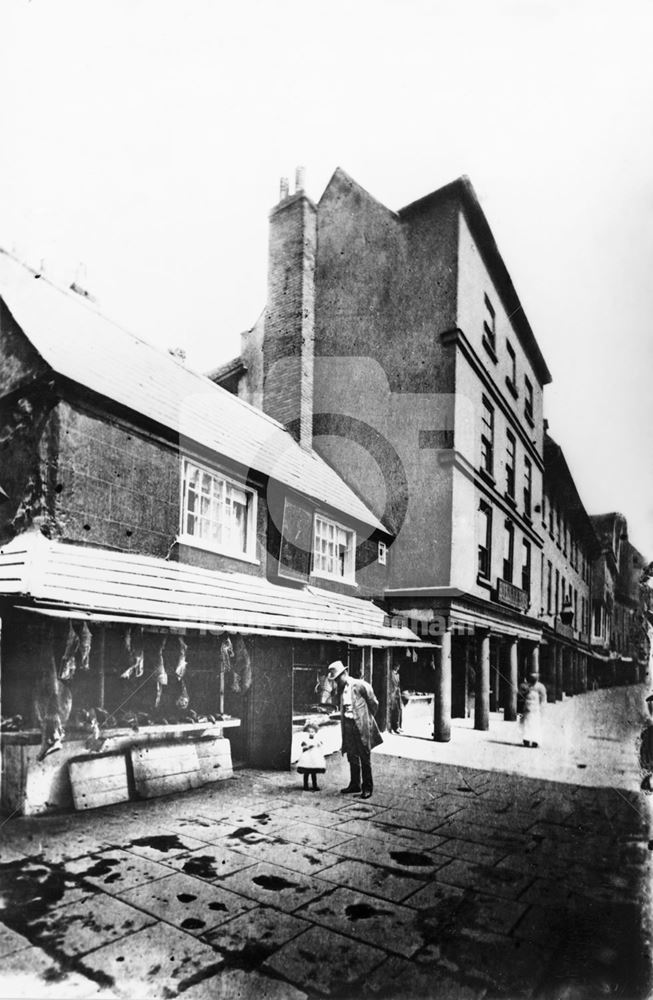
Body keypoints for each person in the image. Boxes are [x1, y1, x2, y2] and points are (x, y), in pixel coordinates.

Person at [327, 659, 382, 799]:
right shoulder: (341, 689)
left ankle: (367, 787)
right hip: (348, 724)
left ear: (344, 673)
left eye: (338, 678)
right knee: (351, 754)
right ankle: (355, 784)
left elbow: (374, 703)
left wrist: (366, 719)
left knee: (364, 755)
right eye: (335, 679)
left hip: (361, 724)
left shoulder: (360, 685)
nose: (337, 681)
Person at [519, 671, 547, 748]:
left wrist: (542, 707)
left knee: (535, 725)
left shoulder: (541, 687)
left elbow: (543, 698)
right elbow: (521, 694)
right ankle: (526, 740)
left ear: (537, 679)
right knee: (527, 724)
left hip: (536, 708)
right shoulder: (527, 686)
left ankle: (535, 741)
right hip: (527, 708)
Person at [296, 720, 326, 791]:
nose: (311, 733)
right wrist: (307, 747)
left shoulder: (317, 739)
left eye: (312, 732)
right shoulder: (305, 739)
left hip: (314, 757)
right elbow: (303, 747)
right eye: (309, 732)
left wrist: (319, 744)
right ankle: (305, 785)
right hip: (307, 757)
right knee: (306, 772)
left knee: (313, 772)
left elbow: (320, 744)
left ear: (315, 732)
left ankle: (314, 785)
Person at [389, 664, 403, 734]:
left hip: (397, 693)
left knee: (399, 709)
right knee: (392, 709)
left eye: (398, 666)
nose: (398, 667)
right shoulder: (390, 673)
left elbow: (398, 684)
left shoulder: (398, 675)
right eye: (397, 666)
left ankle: (397, 726)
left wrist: (399, 691)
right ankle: (391, 727)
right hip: (392, 693)